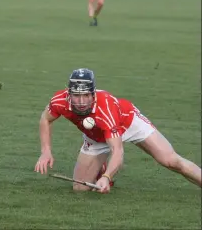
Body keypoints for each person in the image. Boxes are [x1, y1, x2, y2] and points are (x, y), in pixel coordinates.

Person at [34, 68, 202, 193]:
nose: (81, 101)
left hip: (129, 122)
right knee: (80, 188)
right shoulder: (59, 101)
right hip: (96, 136)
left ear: (93, 94)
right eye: (77, 96)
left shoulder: (106, 108)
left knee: (170, 161)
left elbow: (118, 151)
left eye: (86, 95)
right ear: (69, 94)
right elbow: (45, 119)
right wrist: (46, 151)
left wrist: (107, 178)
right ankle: (102, 167)